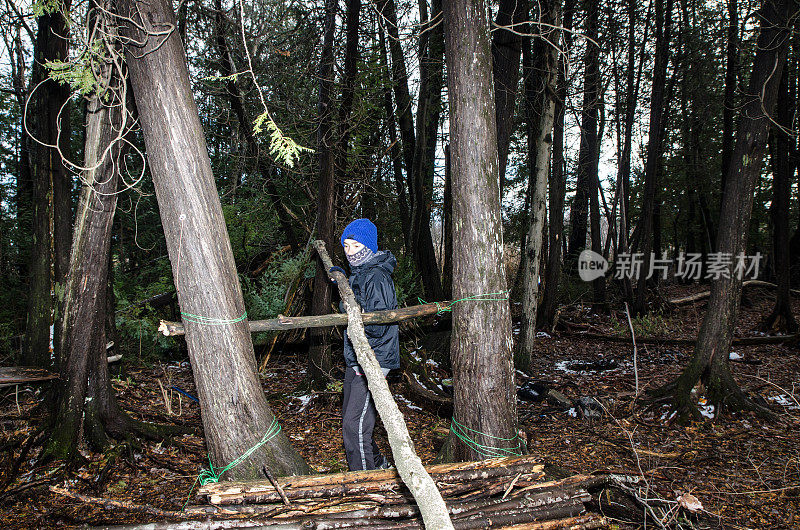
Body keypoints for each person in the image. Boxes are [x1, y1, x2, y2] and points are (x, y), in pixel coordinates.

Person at [329, 218, 399, 471]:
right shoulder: (360, 274)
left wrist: (366, 362)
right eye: (346, 246)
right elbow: (352, 310)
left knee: (353, 425)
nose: (349, 252)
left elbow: (378, 322)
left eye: (355, 246)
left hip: (372, 358)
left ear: (368, 247)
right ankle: (378, 464)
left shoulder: (377, 276)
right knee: (355, 421)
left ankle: (365, 481)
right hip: (357, 357)